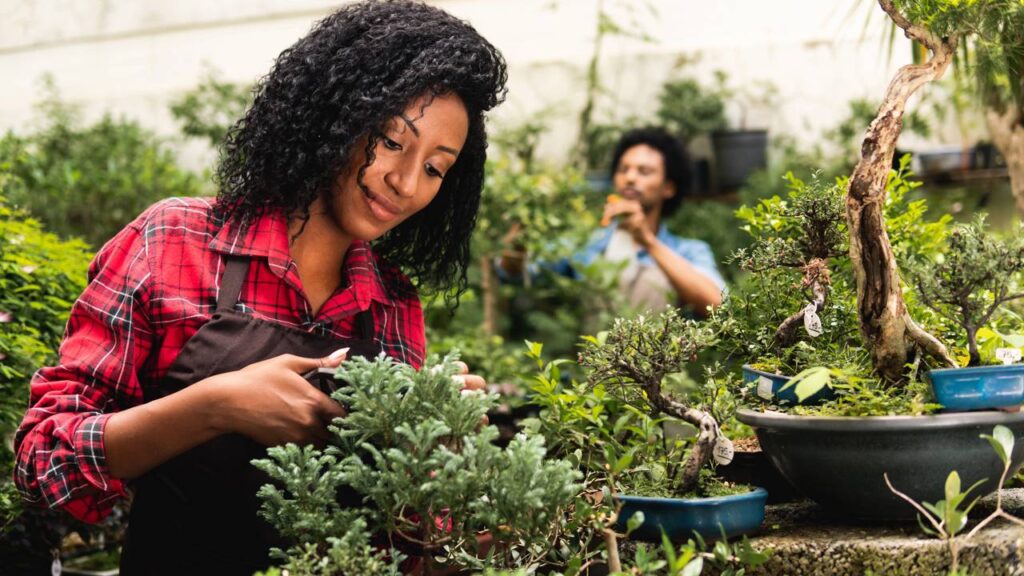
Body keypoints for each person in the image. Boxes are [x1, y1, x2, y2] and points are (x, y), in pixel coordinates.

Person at [13, 2, 507, 574]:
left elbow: (408, 546)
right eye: (392, 142)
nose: (404, 182)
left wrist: (439, 453)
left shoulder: (392, 305)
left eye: (434, 168)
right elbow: (44, 461)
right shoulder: (173, 243)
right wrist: (215, 406)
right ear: (337, 115)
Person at [503, 127, 725, 315]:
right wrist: (519, 240)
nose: (630, 178)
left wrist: (648, 241)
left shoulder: (688, 251)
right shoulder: (585, 244)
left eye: (644, 171)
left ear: (668, 188)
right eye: (623, 169)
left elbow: (718, 306)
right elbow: (514, 272)